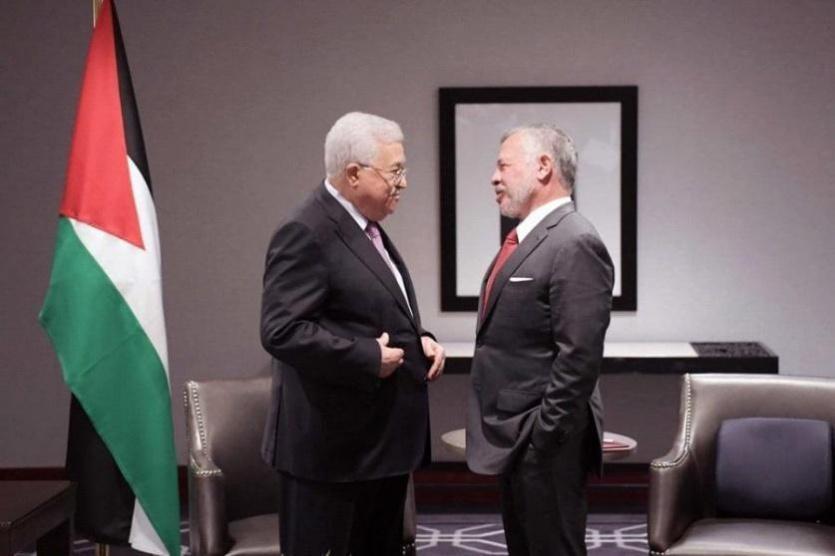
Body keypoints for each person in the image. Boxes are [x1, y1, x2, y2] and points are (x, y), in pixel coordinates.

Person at [260, 111, 445, 555]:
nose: (403, 183)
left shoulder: (365, 227)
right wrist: (367, 357)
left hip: (376, 449)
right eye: (394, 172)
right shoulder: (306, 230)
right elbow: (281, 330)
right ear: (354, 174)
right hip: (332, 456)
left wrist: (418, 337)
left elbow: (365, 308)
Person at [466, 125, 614, 555]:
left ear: (544, 167)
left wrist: (543, 437)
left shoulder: (575, 241)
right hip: (518, 437)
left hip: (544, 442)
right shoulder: (529, 238)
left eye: (503, 166)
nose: (494, 177)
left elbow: (579, 357)